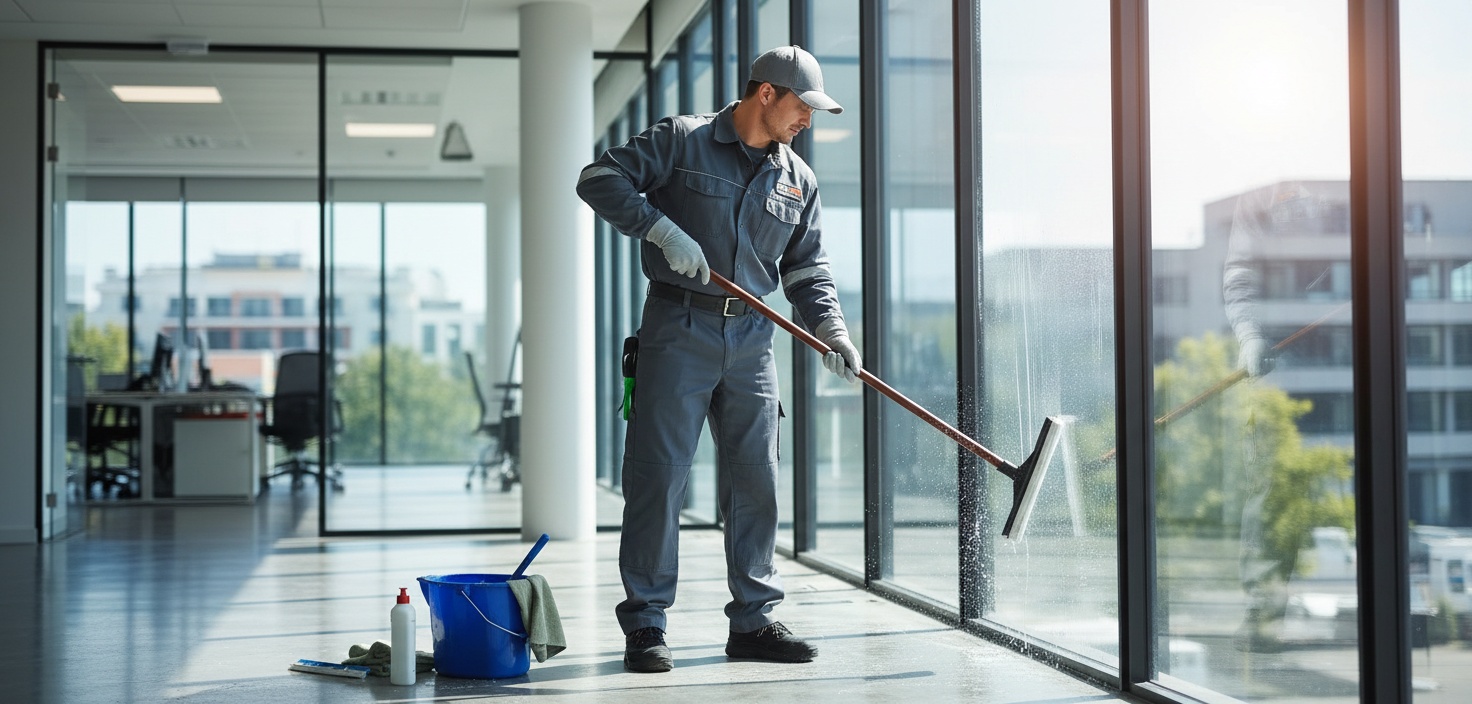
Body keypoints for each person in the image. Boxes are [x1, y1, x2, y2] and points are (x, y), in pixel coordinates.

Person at [576, 45, 860, 673]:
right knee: (659, 477)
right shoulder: (682, 140)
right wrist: (660, 229)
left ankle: (753, 622)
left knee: (756, 480)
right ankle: (646, 624)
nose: (807, 121)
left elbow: (807, 271)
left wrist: (833, 332)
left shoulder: (798, 180)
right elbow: (598, 179)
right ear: (767, 93)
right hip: (677, 327)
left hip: (753, 341)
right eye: (802, 107)